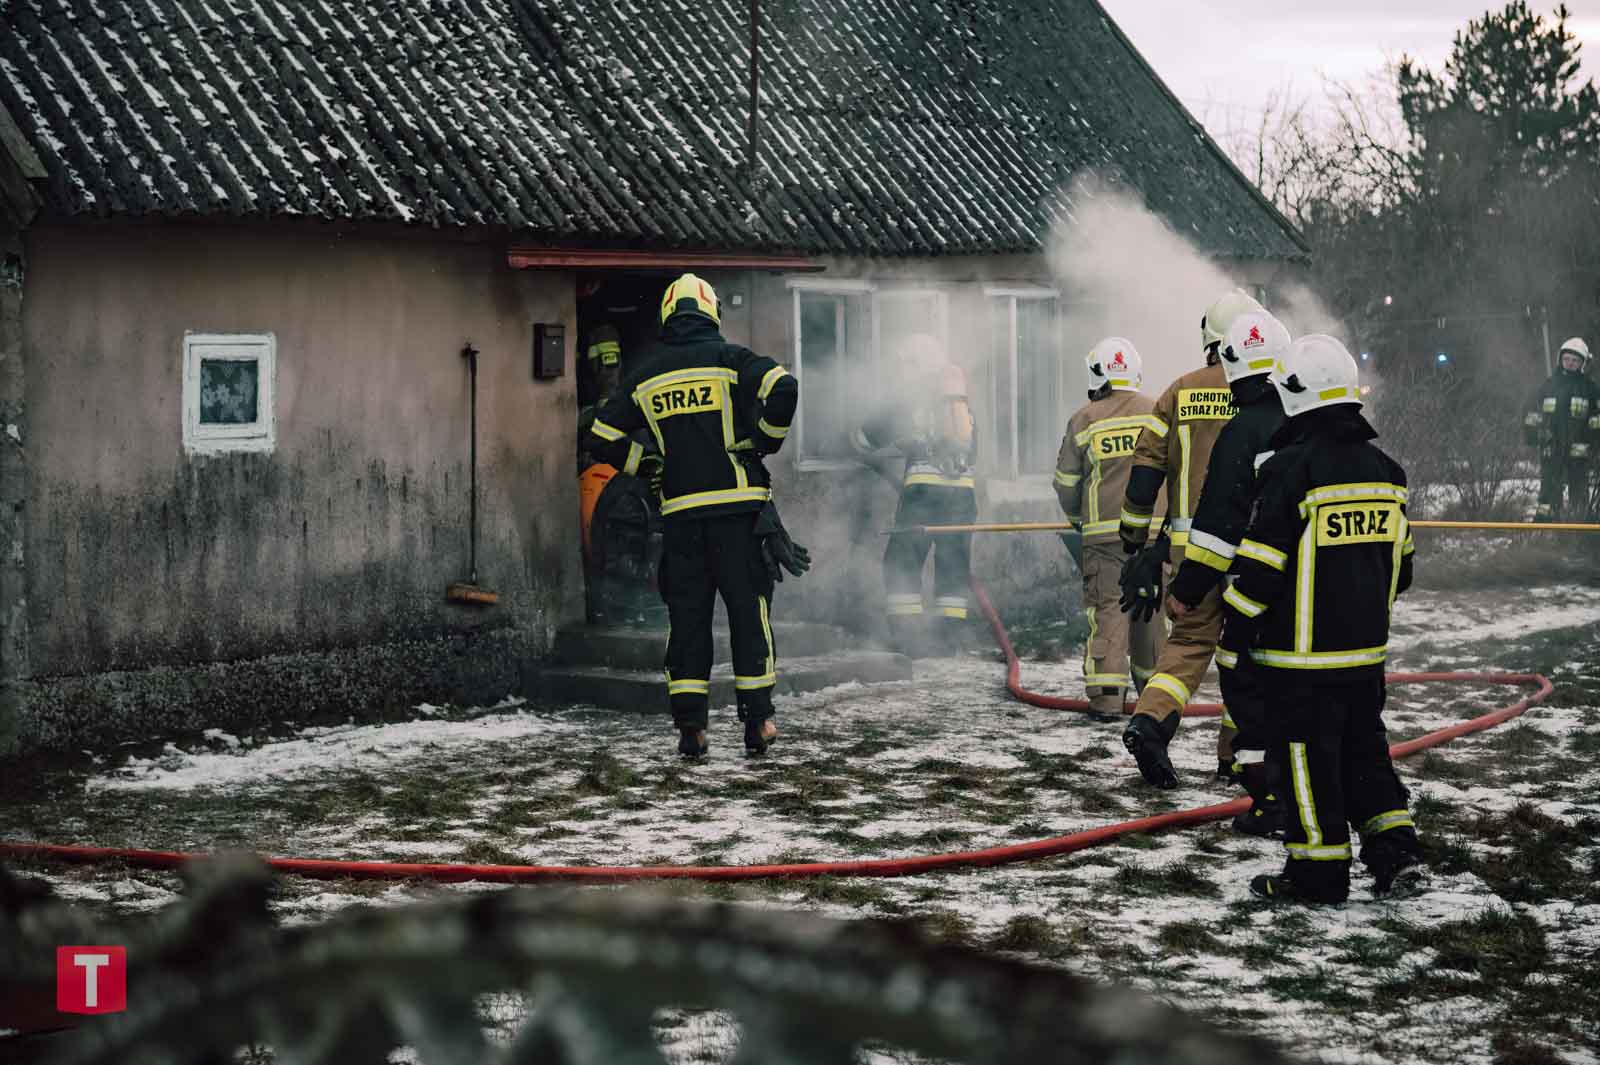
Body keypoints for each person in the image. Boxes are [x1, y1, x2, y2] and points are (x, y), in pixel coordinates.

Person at [1220, 334, 1424, 904]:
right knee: (1366, 754)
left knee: (1304, 762)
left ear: (1293, 396)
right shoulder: (1388, 472)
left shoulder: (1290, 471)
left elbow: (1260, 571)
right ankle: (1395, 853)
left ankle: (1317, 873)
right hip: (1365, 657)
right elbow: (1402, 570)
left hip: (1299, 661)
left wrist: (1233, 631)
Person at [586, 273, 809, 758]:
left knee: (687, 623)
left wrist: (645, 464)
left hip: (681, 520)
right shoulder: (732, 361)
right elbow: (784, 387)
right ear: (712, 314)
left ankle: (692, 730)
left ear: (669, 317)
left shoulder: (648, 375)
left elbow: (598, 433)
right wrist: (766, 439)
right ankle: (759, 723)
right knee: (749, 617)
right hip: (739, 518)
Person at [1117, 288, 1262, 789]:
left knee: (1188, 644)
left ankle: (1150, 722)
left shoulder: (1178, 392)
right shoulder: (1273, 393)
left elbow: (1144, 474)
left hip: (1188, 550)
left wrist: (1135, 541)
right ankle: (1237, 757)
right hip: (1253, 551)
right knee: (1250, 652)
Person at [1164, 310, 1291, 832]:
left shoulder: (1241, 432)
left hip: (1254, 586)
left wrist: (1187, 588)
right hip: (1313, 593)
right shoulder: (1304, 422)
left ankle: (1269, 799)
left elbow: (1219, 523)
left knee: (1244, 676)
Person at [1054, 338, 1168, 716]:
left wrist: (1079, 522)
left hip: (1104, 539)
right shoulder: (1157, 411)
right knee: (1150, 616)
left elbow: (1066, 484)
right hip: (1152, 537)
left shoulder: (1085, 419)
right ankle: (1156, 699)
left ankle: (1106, 699)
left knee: (1108, 614)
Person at [855, 335, 979, 656]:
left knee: (901, 562)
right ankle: (949, 641)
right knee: (953, 566)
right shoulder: (961, 405)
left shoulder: (907, 401)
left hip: (923, 496)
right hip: (963, 498)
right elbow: (972, 452)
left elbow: (864, 438)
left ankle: (908, 640)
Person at [1524, 337, 1599, 521]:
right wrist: (1534, 437)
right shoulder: (1548, 387)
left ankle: (1579, 524)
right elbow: (1531, 412)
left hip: (1579, 451)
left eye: (1575, 360)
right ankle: (1545, 524)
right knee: (1549, 488)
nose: (1570, 363)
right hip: (1552, 447)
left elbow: (1597, 418)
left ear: (1583, 363)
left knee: (1579, 489)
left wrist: (1594, 442)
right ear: (1560, 360)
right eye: (1566, 359)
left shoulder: (1590, 389)